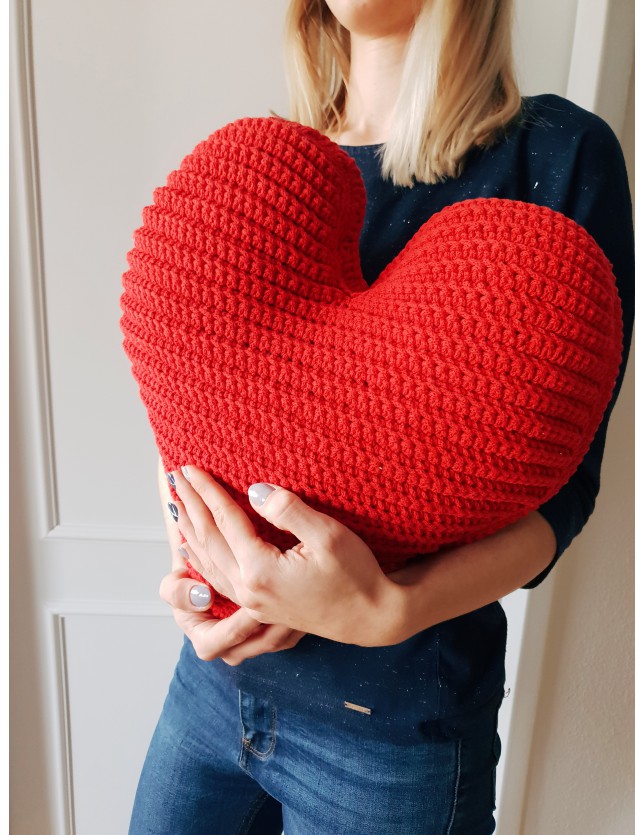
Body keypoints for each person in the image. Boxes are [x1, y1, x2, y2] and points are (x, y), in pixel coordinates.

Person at [127, 0, 634, 832]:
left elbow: (567, 491)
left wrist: (390, 609)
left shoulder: (558, 153)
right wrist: (199, 568)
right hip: (212, 687)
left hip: (390, 738)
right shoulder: (268, 173)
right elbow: (188, 415)